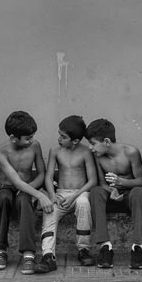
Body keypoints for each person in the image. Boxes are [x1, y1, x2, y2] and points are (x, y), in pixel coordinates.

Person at [0, 110, 54, 274]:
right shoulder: (0, 152)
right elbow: (16, 182)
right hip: (7, 187)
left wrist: (32, 189)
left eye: (32, 136)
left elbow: (42, 174)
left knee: (24, 200)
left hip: (28, 187)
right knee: (3, 199)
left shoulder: (35, 146)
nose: (31, 140)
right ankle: (0, 251)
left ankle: (28, 254)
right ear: (13, 138)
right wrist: (40, 195)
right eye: (27, 138)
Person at [85, 118, 142, 270]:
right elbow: (102, 183)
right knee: (95, 191)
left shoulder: (130, 152)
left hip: (130, 196)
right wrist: (112, 190)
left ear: (106, 141)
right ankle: (105, 247)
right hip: (110, 195)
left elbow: (141, 182)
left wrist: (121, 182)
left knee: (139, 193)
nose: (90, 148)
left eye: (93, 143)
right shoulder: (98, 156)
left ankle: (138, 247)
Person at [37, 115, 96, 273]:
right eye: (59, 134)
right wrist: (52, 195)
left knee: (84, 204)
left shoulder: (85, 152)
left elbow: (92, 180)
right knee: (49, 210)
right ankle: (48, 256)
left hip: (80, 193)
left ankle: (83, 249)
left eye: (63, 137)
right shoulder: (55, 150)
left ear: (75, 141)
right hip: (60, 194)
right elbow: (49, 176)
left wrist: (75, 196)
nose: (59, 139)